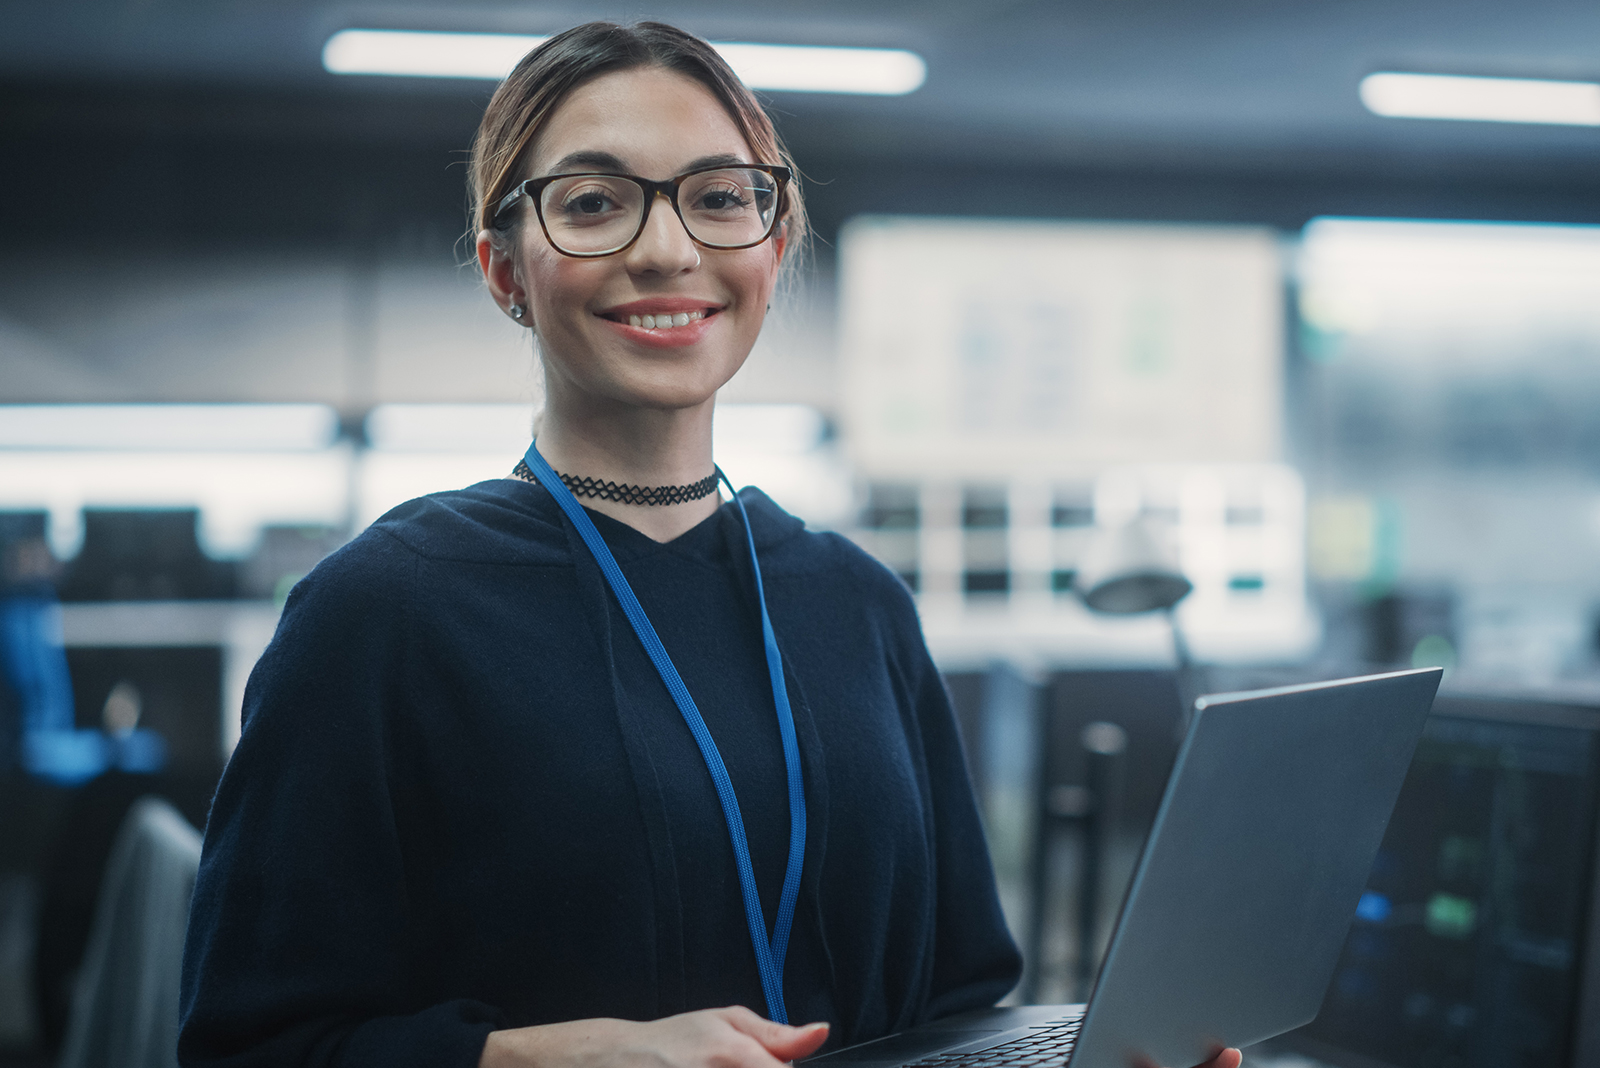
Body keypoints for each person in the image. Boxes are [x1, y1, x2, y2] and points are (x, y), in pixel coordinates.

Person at [178, 21, 1239, 1068]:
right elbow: (249, 1046)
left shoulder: (857, 603)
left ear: (771, 252)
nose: (667, 249)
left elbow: (959, 999)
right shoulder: (381, 613)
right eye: (593, 202)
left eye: (721, 198)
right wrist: (547, 1058)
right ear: (506, 271)